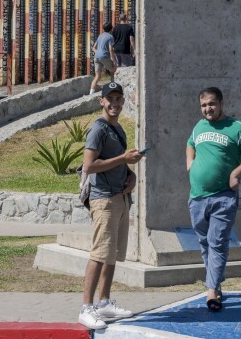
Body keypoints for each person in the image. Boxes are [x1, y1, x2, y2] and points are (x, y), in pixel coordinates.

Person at [186, 87, 241, 311]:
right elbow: (190, 144)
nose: (207, 109)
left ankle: (211, 291)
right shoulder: (199, 126)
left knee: (217, 242)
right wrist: (190, 164)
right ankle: (216, 284)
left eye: (211, 104)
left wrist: (235, 174)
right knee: (204, 242)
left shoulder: (237, 128)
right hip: (197, 197)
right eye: (203, 105)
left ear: (221, 103)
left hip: (223, 198)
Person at [78, 82, 143, 330]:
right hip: (102, 199)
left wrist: (131, 174)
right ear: (101, 101)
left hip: (120, 197)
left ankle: (104, 302)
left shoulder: (117, 129)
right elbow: (90, 166)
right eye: (110, 99)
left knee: (112, 253)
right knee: (99, 253)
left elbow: (116, 163)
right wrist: (124, 158)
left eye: (119, 99)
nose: (115, 104)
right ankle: (86, 307)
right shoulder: (98, 129)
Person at [90, 22, 118, 96]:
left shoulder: (100, 36)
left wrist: (98, 52)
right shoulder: (110, 37)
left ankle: (91, 94)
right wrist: (114, 60)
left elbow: (93, 48)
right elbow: (110, 49)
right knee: (113, 71)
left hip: (97, 56)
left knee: (97, 76)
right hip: (105, 56)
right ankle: (113, 89)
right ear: (111, 29)